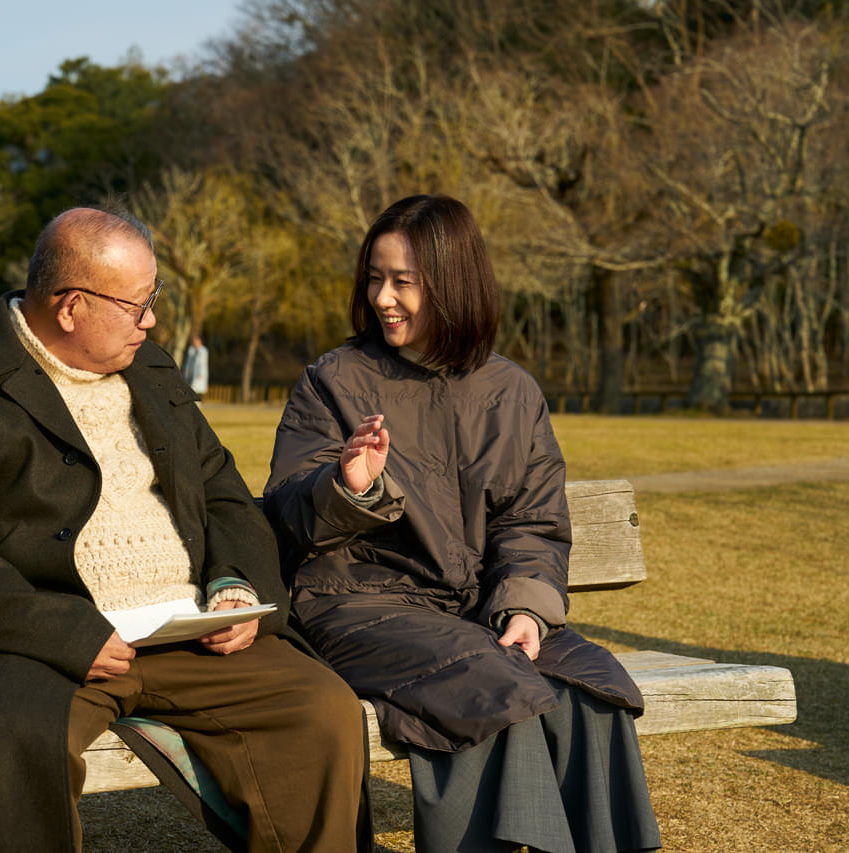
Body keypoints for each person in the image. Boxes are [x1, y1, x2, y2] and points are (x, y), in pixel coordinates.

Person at [0, 205, 370, 852]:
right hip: (38, 651)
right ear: (70, 307)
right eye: (136, 304)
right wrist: (71, 634)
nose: (151, 320)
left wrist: (235, 586)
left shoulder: (152, 368)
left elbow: (223, 493)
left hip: (187, 633)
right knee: (18, 740)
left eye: (152, 299)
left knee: (321, 709)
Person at [263, 194, 662, 853]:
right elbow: (284, 513)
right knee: (486, 683)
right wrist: (347, 486)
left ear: (453, 283)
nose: (383, 298)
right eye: (375, 278)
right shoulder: (333, 381)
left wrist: (526, 609)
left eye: (404, 281)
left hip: (472, 611)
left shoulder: (512, 391)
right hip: (354, 607)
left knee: (593, 688)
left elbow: (531, 522)